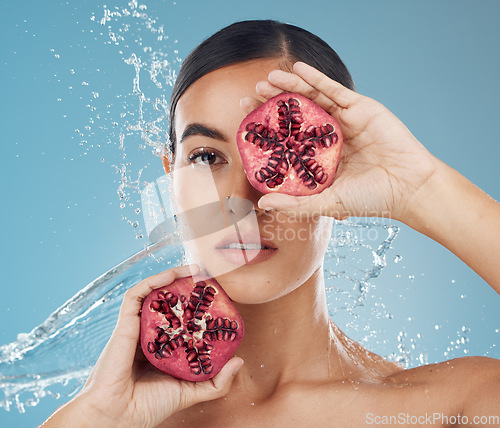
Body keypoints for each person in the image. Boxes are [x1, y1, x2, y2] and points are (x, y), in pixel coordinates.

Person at [42, 20, 500, 427]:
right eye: (206, 157)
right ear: (172, 179)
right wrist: (96, 417)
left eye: (283, 156)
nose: (243, 202)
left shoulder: (452, 407)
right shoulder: (117, 416)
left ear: (338, 170)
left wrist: (420, 189)